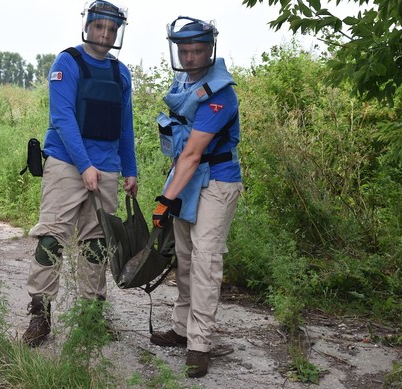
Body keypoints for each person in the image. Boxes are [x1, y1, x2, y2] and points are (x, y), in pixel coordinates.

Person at [22, 0, 137, 347]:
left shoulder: (121, 72)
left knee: (97, 245)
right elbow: (62, 117)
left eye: (111, 29)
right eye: (99, 26)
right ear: (87, 26)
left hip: (108, 168)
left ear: (117, 32)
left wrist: (129, 169)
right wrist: (84, 165)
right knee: (51, 239)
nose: (104, 34)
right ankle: (40, 316)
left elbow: (125, 125)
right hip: (66, 164)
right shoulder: (67, 62)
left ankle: (91, 317)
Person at [150, 16, 243, 378]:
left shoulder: (221, 94)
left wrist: (164, 199)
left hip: (216, 182)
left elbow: (193, 154)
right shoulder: (183, 83)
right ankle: (181, 328)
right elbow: (180, 150)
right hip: (187, 177)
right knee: (185, 259)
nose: (190, 57)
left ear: (210, 49)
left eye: (197, 50)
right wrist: (172, 188)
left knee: (205, 262)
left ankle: (199, 345)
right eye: (184, 50)